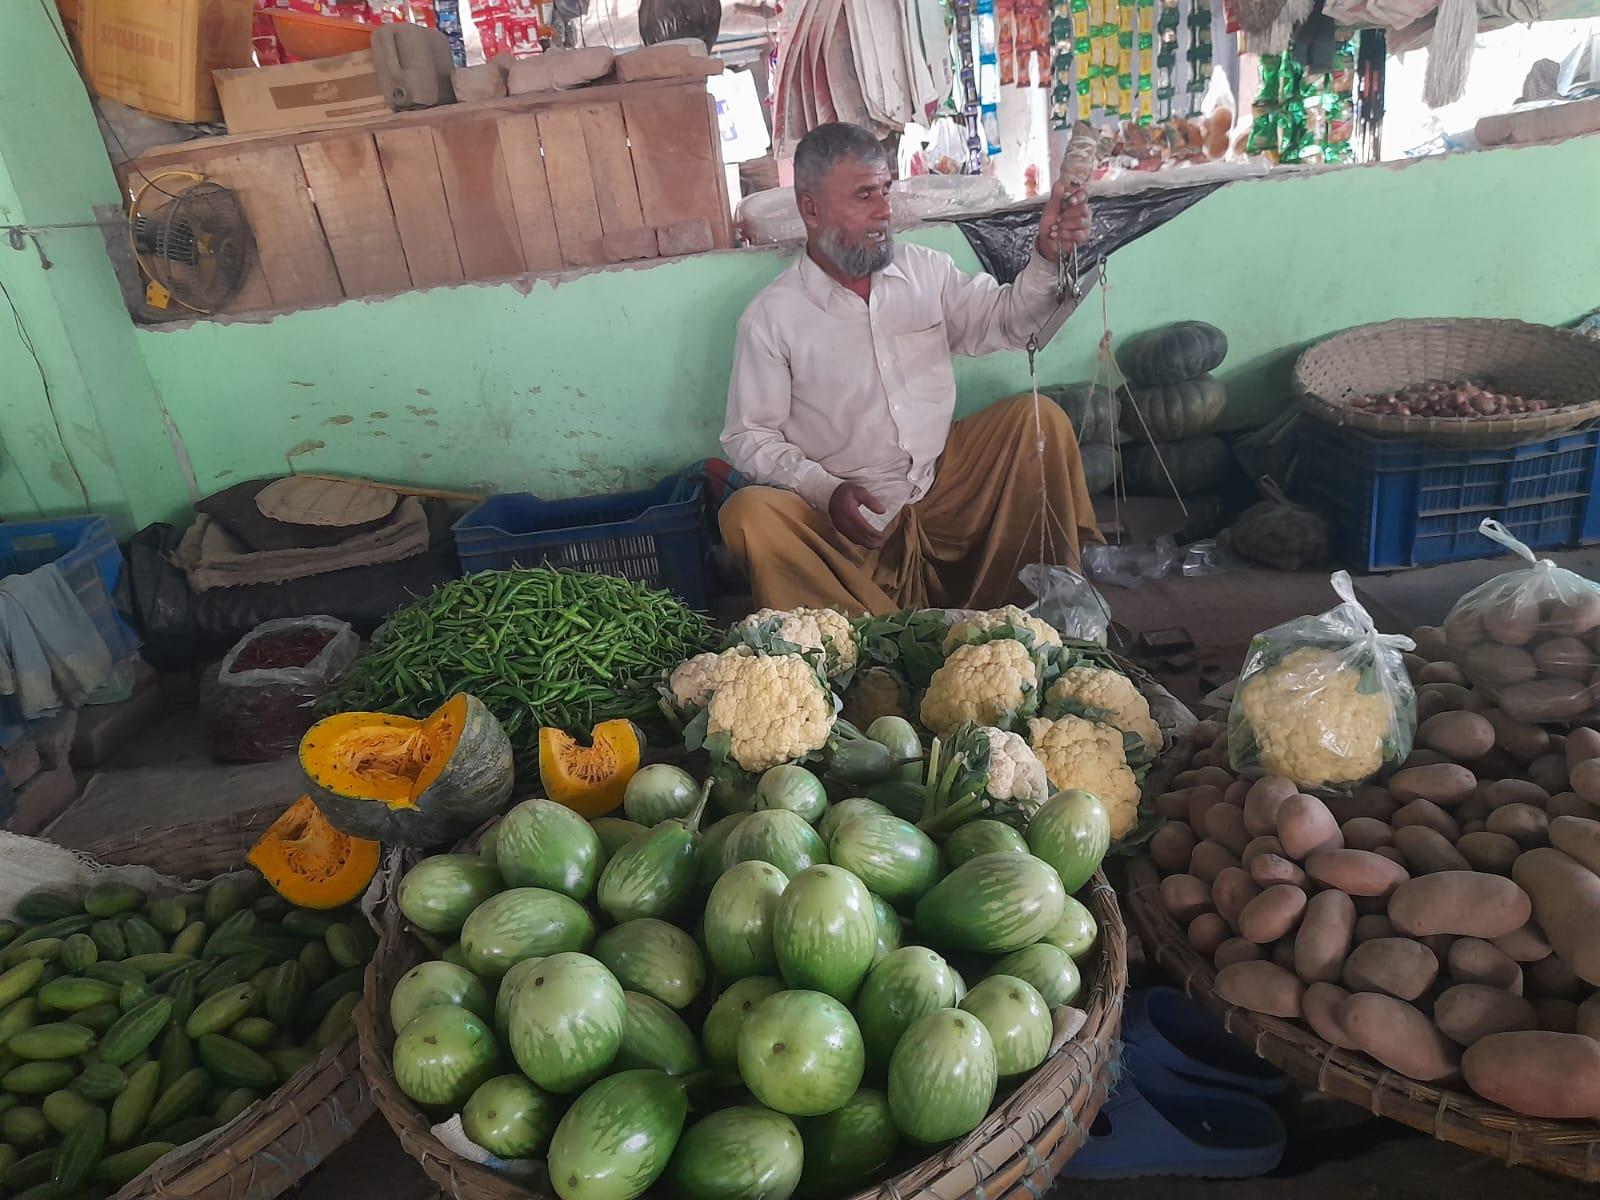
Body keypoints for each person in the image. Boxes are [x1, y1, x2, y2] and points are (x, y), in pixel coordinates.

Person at [719, 121, 1102, 615]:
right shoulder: (772, 318)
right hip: (848, 517)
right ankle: (859, 649)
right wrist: (825, 490)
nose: (885, 211)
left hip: (944, 487)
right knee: (748, 515)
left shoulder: (927, 271)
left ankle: (1041, 614)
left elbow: (1009, 323)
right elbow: (749, 435)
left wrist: (1047, 258)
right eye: (863, 196)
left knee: (1038, 420)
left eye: (885, 190)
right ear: (810, 209)